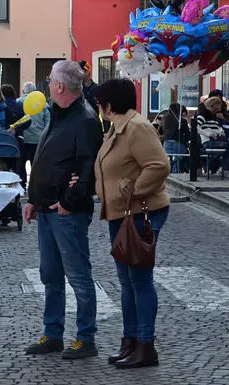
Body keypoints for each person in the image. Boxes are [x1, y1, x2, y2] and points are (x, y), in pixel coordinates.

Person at [23, 60, 103, 359]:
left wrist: (69, 201)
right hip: (47, 209)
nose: (47, 84)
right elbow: (46, 159)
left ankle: (86, 337)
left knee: (78, 276)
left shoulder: (84, 119)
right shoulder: (58, 114)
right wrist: (34, 199)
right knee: (50, 275)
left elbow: (87, 166)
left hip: (66, 212)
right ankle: (52, 333)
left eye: (50, 79)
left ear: (59, 86)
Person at [92, 78, 170, 369]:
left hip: (140, 212)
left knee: (139, 281)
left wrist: (131, 191)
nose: (98, 108)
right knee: (127, 283)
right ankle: (131, 341)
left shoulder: (137, 128)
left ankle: (146, 345)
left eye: (100, 103)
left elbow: (159, 165)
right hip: (120, 214)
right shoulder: (116, 129)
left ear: (109, 105)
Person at [18, 81, 51, 177]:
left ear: (23, 91)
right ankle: (34, 185)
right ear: (35, 90)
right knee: (36, 165)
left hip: (22, 139)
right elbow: (49, 121)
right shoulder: (43, 104)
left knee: (21, 164)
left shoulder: (18, 102)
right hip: (38, 139)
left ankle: (22, 184)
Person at [79, 60, 109, 133]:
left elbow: (104, 110)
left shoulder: (98, 89)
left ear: (87, 72)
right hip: (78, 129)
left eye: (79, 72)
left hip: (93, 129)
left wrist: (106, 132)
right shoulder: (76, 90)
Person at [161, 103, 190, 173]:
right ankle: (183, 169)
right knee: (186, 153)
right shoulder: (182, 121)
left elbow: (161, 132)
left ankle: (172, 167)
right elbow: (188, 136)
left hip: (166, 145)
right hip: (178, 145)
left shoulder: (165, 119)